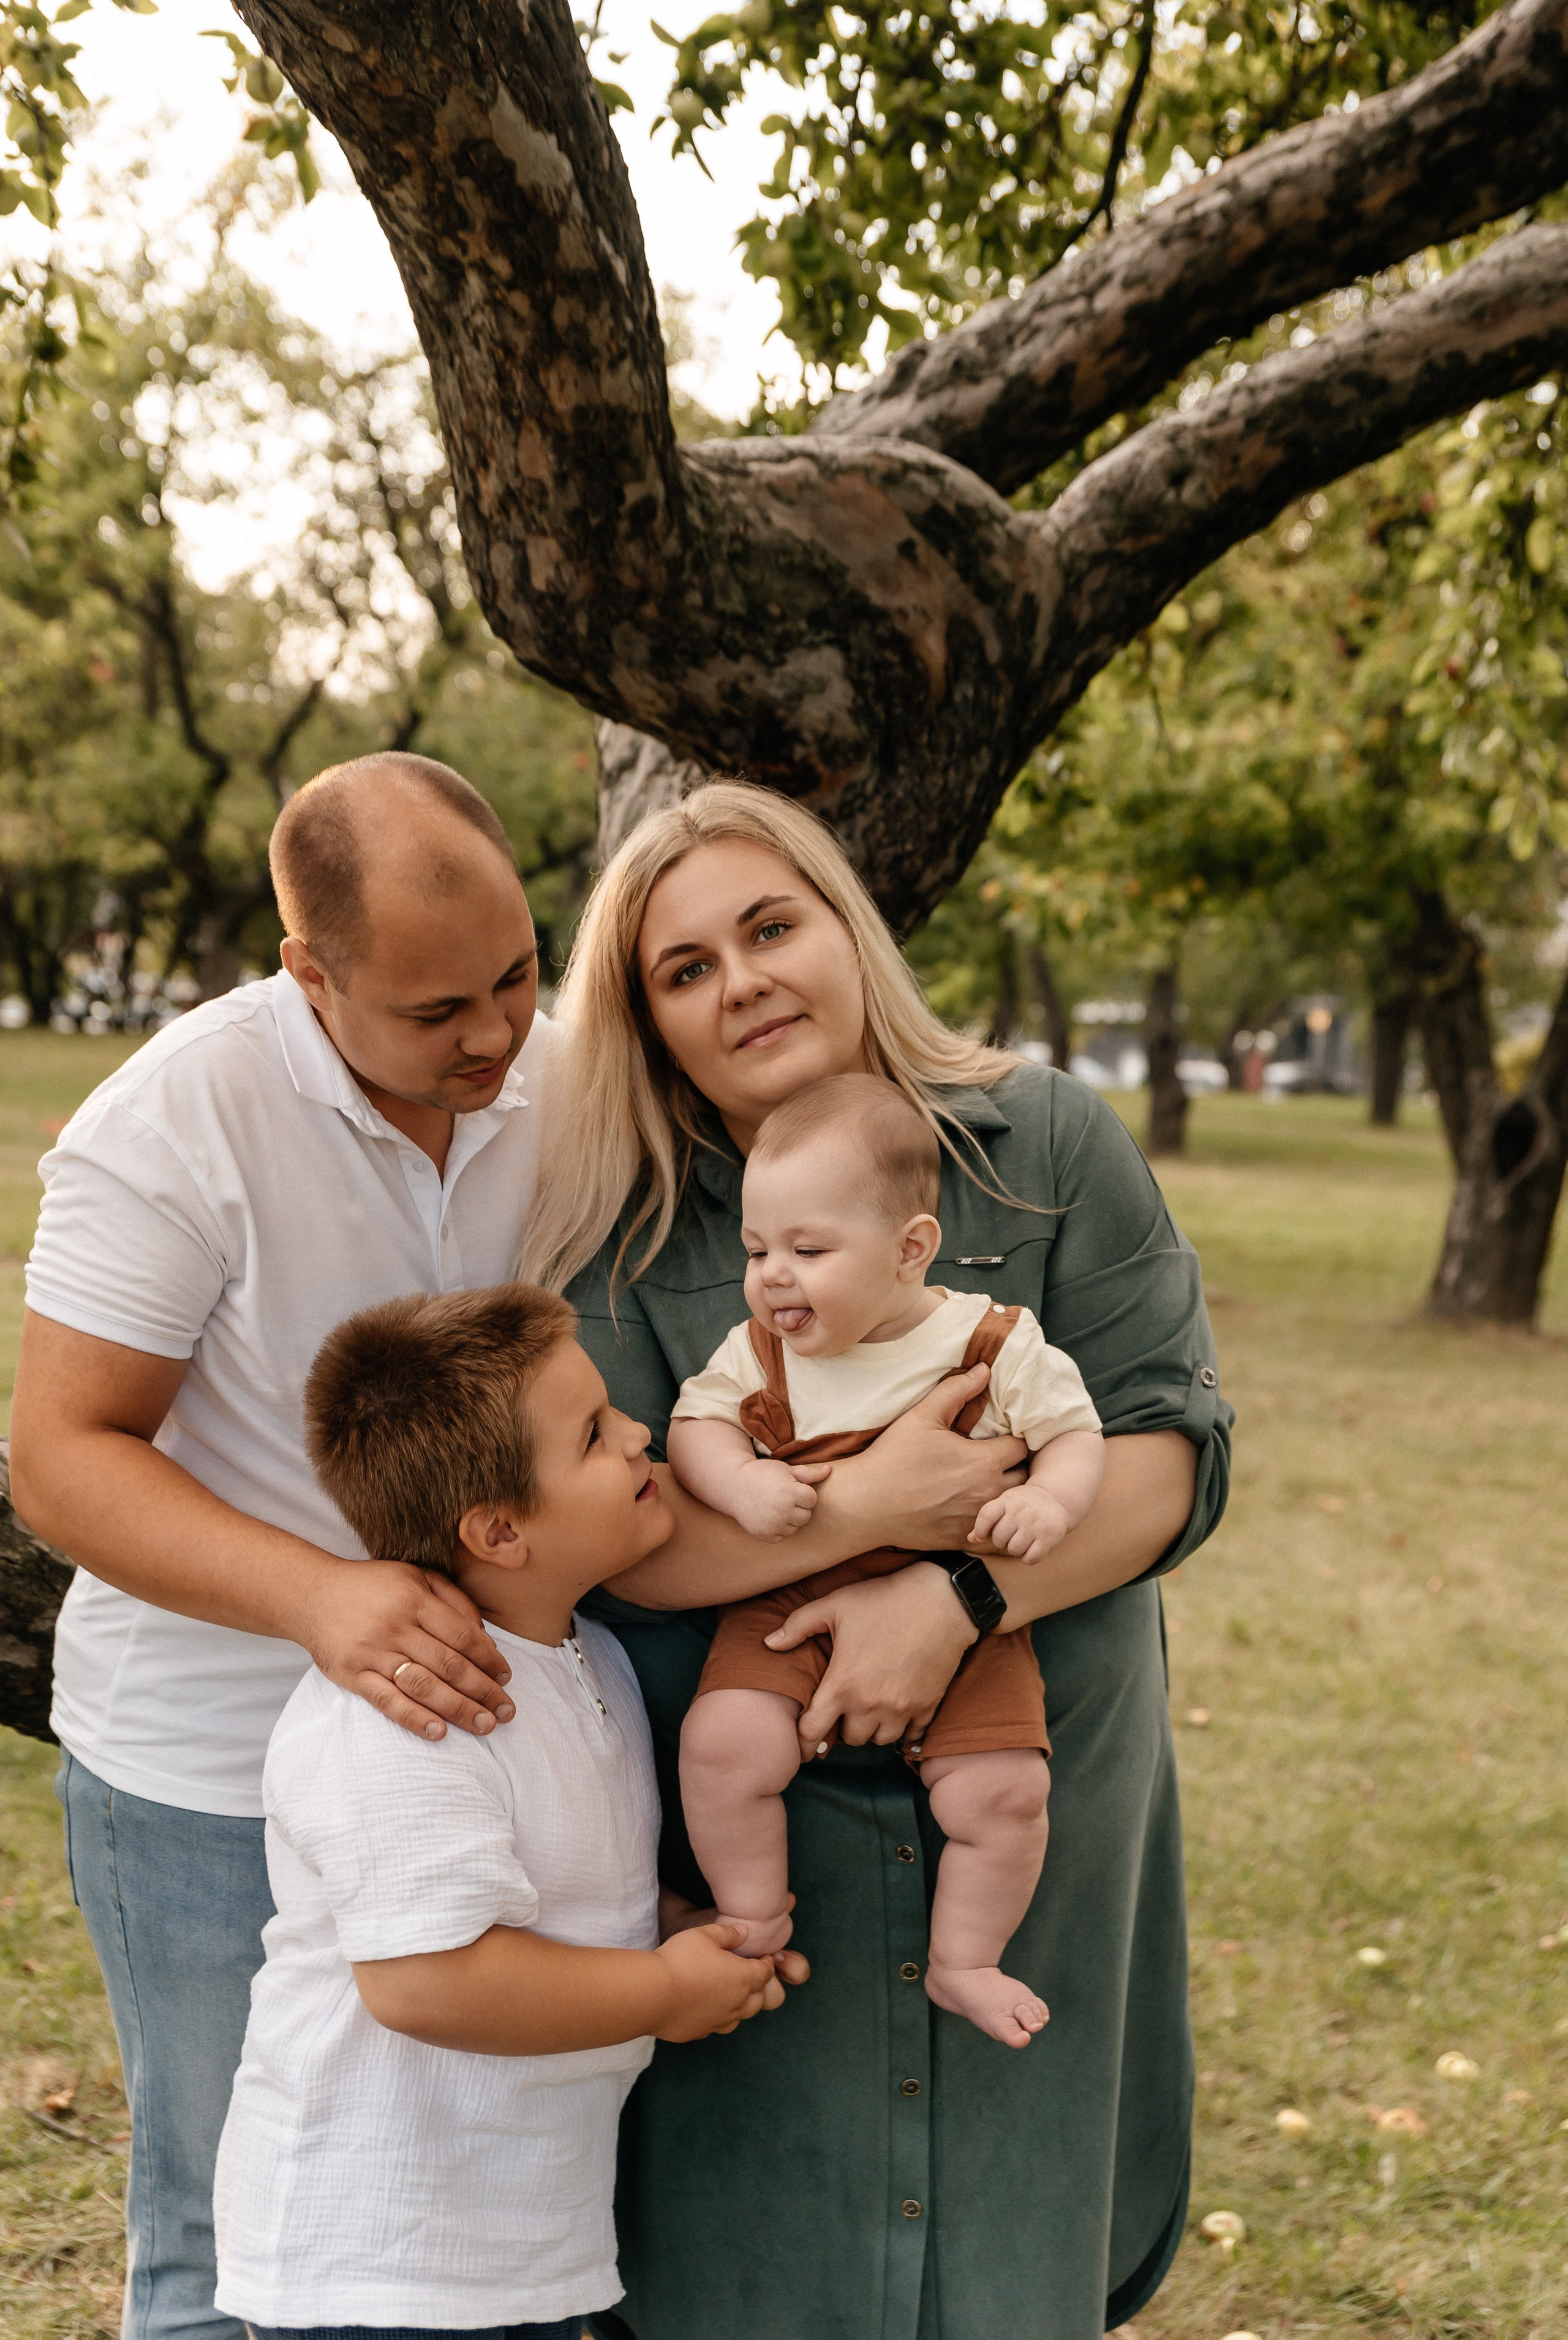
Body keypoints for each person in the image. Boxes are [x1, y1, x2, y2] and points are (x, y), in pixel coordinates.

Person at [518, 780, 1234, 2340]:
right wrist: (866, 1515)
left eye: (768, 926)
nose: (742, 981)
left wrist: (955, 1597)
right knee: (752, 2270)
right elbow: (624, 1547)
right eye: (683, 968)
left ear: (847, 926)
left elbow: (1172, 1459)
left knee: (1009, 2257)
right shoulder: (616, 1229)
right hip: (759, 1838)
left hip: (1029, 1775)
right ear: (645, 1024)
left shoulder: (1040, 1141)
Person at [10, 753, 564, 2340]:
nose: (495, 1036)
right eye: (436, 1009)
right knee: (227, 2225)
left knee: (458, 2220)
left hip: (476, 1755)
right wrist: (321, 1596)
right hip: (209, 1773)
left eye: (517, 978)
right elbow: (60, 1456)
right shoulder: (173, 1121)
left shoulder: (555, 1064)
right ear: (307, 973)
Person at [216, 1282, 785, 2340]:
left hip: (511, 2241)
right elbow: (428, 1980)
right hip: (377, 2262)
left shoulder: (588, 1656)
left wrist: (668, 1926)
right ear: (499, 1530)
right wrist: (661, 1990)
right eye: (595, 1435)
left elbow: (561, 1880)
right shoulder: (407, 1715)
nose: (639, 1434)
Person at [668, 1072, 1104, 2048]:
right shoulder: (760, 1355)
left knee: (1004, 1792)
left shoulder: (994, 1342)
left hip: (960, 1597)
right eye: (757, 1250)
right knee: (724, 1744)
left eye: (808, 1249)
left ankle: (965, 1961)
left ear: (912, 1249)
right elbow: (695, 1425)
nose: (773, 1275)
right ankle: (755, 1913)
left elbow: (1078, 1435)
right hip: (793, 1593)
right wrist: (741, 1483)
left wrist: (1047, 1497)